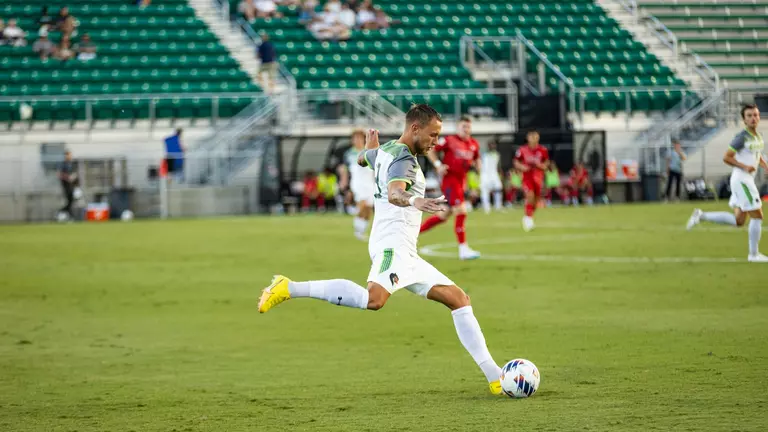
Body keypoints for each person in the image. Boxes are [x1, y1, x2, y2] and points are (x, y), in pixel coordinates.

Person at [258, 105, 505, 395]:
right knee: (374, 299)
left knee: (459, 300)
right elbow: (394, 193)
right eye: (433, 135)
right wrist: (414, 202)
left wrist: (367, 150)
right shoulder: (405, 160)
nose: (435, 142)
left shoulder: (386, 149)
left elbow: (365, 158)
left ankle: (496, 376)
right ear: (415, 129)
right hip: (392, 246)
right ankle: (288, 287)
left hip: (406, 252)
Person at [686, 104, 767, 262]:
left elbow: (757, 153)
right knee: (757, 215)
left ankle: (701, 216)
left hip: (745, 179)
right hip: (742, 179)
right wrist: (745, 166)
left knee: (739, 221)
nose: (753, 118)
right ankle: (753, 254)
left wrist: (764, 164)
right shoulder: (741, 137)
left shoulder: (757, 136)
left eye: (755, 115)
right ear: (744, 119)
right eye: (749, 115)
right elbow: (727, 157)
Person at [420, 116, 482, 260]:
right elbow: (430, 150)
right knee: (461, 210)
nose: (466, 130)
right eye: (463, 127)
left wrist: (478, 165)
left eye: (468, 127)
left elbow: (477, 157)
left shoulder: (473, 144)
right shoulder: (449, 140)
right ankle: (463, 249)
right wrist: (438, 165)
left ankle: (413, 233)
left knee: (444, 214)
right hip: (450, 180)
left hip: (461, 181)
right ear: (457, 128)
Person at [340, 129, 375, 240]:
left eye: (359, 138)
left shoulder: (369, 152)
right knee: (363, 204)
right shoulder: (349, 153)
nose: (357, 140)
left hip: (370, 182)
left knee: (368, 208)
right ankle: (357, 230)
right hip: (357, 182)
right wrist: (343, 182)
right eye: (355, 138)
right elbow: (344, 169)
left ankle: (361, 231)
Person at [514, 130, 549, 231]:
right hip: (527, 177)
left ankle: (528, 216)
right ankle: (528, 219)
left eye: (535, 137)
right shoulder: (522, 150)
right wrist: (522, 167)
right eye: (531, 137)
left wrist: (542, 166)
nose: (534, 139)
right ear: (528, 138)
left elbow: (546, 163)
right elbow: (516, 162)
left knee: (536, 200)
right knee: (530, 196)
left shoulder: (543, 150)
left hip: (538, 177)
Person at [479, 139, 503, 213]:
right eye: (491, 145)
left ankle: (498, 206)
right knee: (485, 190)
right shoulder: (484, 154)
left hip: (494, 174)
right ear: (488, 146)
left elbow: (498, 165)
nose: (493, 146)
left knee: (498, 188)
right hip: (485, 174)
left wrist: (500, 172)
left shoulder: (497, 154)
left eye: (494, 145)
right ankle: (486, 207)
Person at [58, 151, 76, 219]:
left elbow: (74, 173)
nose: (70, 156)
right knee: (69, 200)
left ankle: (68, 214)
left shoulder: (71, 163)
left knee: (71, 201)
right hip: (65, 185)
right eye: (68, 155)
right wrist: (68, 177)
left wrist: (73, 177)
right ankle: (62, 212)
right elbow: (59, 174)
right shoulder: (63, 164)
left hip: (71, 185)